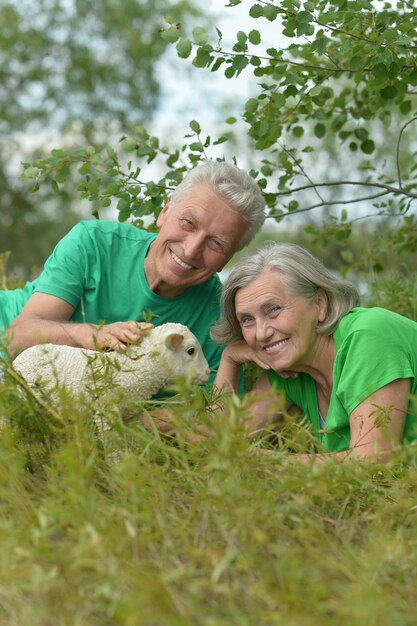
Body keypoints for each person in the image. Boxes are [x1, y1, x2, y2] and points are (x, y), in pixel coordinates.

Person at [1, 161, 265, 391]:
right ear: (165, 211)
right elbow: (17, 338)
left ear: (227, 259)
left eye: (216, 244)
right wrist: (93, 335)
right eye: (188, 223)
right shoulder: (93, 242)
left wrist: (124, 420)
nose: (191, 249)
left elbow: (209, 409)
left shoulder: (219, 314)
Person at [211, 242, 417, 461]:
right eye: (247, 320)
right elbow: (218, 443)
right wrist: (229, 359)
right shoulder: (289, 370)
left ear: (320, 304)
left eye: (273, 309)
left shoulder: (369, 335)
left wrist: (261, 460)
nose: (261, 333)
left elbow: (374, 462)